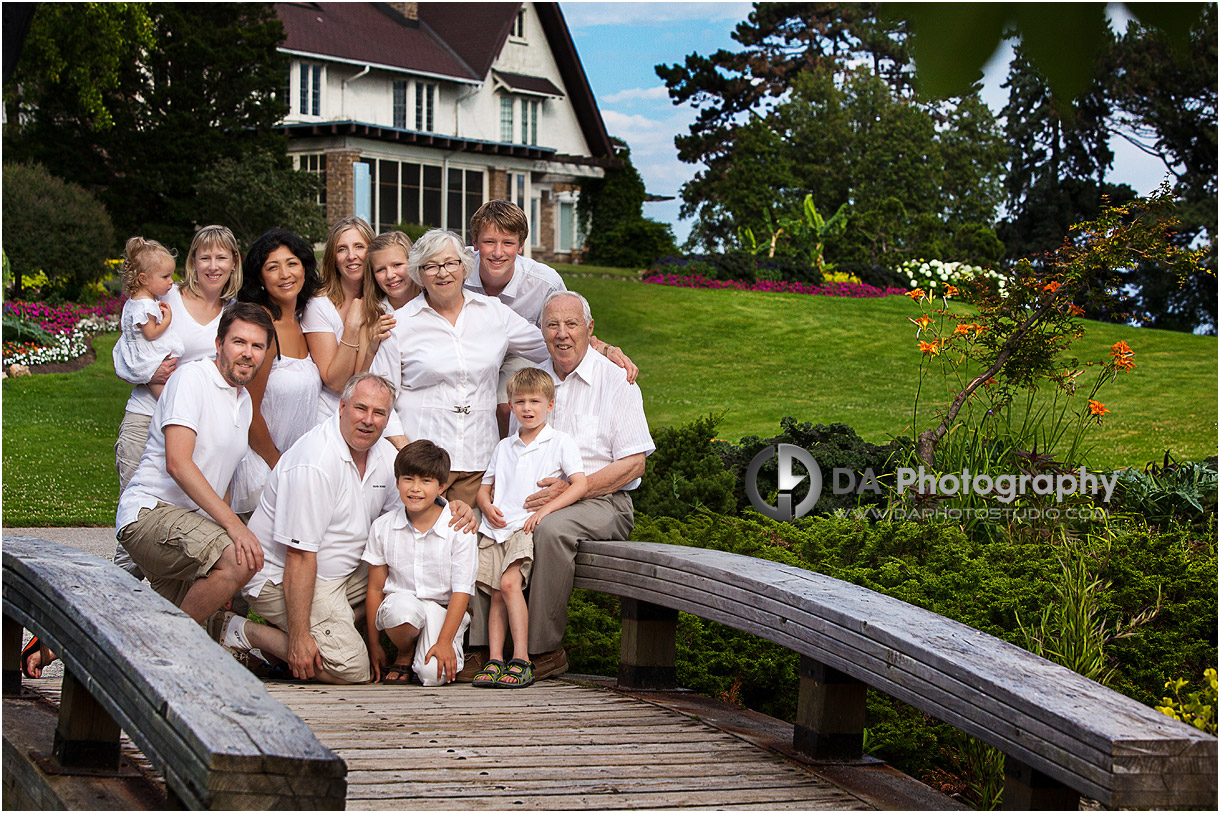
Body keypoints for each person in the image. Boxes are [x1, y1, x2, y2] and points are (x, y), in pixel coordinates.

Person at [222, 374, 477, 684]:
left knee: (406, 571)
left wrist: (450, 507)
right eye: (361, 408)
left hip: (344, 572)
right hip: (285, 577)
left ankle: (332, 627)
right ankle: (242, 631)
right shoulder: (314, 463)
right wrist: (301, 635)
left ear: (388, 420)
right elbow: (298, 556)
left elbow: (412, 504)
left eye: (379, 413)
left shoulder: (384, 455)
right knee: (352, 669)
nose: (368, 420)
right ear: (341, 406)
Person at [463, 291, 654, 681]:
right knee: (487, 530)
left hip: (603, 500)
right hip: (529, 500)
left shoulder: (615, 379)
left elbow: (635, 463)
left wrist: (569, 489)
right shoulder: (534, 383)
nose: (562, 334)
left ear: (590, 329)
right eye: (552, 325)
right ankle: (485, 649)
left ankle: (542, 650)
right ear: (541, 330)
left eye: (571, 324)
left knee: (549, 530)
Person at [115, 302, 273, 622]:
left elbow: (223, 480)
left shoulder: (243, 402)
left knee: (193, 624)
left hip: (189, 529)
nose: (248, 353)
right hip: (150, 513)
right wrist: (233, 527)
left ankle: (49, 645)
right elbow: (178, 463)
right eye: (239, 342)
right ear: (219, 344)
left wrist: (225, 550)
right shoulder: (192, 378)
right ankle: (172, 647)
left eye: (257, 346)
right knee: (239, 560)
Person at [370, 228, 550, 507]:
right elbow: (380, 396)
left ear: (464, 268)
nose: (442, 273)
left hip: (478, 460)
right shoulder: (400, 324)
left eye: (450, 263)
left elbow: (550, 346)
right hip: (421, 465)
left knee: (468, 543)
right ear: (419, 273)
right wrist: (406, 452)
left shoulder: (494, 313)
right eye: (431, 266)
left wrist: (602, 350)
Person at [111, 225, 243, 578]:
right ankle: (114, 615)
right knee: (137, 530)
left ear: (234, 262)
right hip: (147, 419)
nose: (212, 266)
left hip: (194, 431)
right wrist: (149, 375)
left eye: (221, 257)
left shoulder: (233, 313)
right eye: (204, 257)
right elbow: (124, 352)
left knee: (179, 532)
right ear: (193, 262)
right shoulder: (164, 300)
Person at [464, 200, 638, 436]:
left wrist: (606, 349)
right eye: (488, 242)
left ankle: (508, 457)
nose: (497, 252)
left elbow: (569, 325)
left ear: (521, 245)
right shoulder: (455, 268)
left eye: (508, 243)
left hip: (523, 354)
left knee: (506, 405)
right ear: (474, 242)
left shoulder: (544, 281)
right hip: (469, 350)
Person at [471, 367, 587, 689]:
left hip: (524, 527)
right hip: (496, 528)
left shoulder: (559, 442)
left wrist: (546, 511)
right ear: (510, 404)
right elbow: (485, 488)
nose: (527, 408)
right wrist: (485, 506)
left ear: (550, 405)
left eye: (535, 401)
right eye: (519, 401)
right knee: (495, 592)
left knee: (509, 585)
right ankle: (495, 660)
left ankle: (521, 659)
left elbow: (579, 484)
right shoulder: (504, 447)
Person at [364, 440, 478, 686]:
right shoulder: (383, 527)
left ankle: (441, 642)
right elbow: (375, 587)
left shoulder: (459, 528)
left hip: (441, 609)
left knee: (433, 674)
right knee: (401, 610)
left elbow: (461, 591)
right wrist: (373, 644)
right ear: (397, 482)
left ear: (441, 487)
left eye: (426, 481)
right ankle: (404, 653)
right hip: (402, 605)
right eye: (408, 479)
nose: (415, 489)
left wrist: (445, 642)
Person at [229, 229, 323, 514]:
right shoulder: (260, 327)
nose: (285, 274)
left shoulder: (302, 321)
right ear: (260, 277)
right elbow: (247, 408)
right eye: (273, 266)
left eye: (292, 263)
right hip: (262, 469)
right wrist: (277, 464)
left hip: (296, 465)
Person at [303, 217, 396, 423]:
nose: (351, 256)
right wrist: (352, 327)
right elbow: (336, 384)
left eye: (359, 247)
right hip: (330, 417)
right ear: (333, 258)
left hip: (380, 415)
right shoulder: (318, 306)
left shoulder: (386, 298)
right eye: (342, 249)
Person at [113, 236, 185, 400]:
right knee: (162, 390)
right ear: (143, 279)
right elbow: (150, 333)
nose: (171, 282)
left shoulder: (133, 302)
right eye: (165, 277)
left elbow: (122, 326)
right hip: (147, 358)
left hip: (135, 353)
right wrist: (167, 320)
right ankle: (167, 406)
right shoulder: (146, 305)